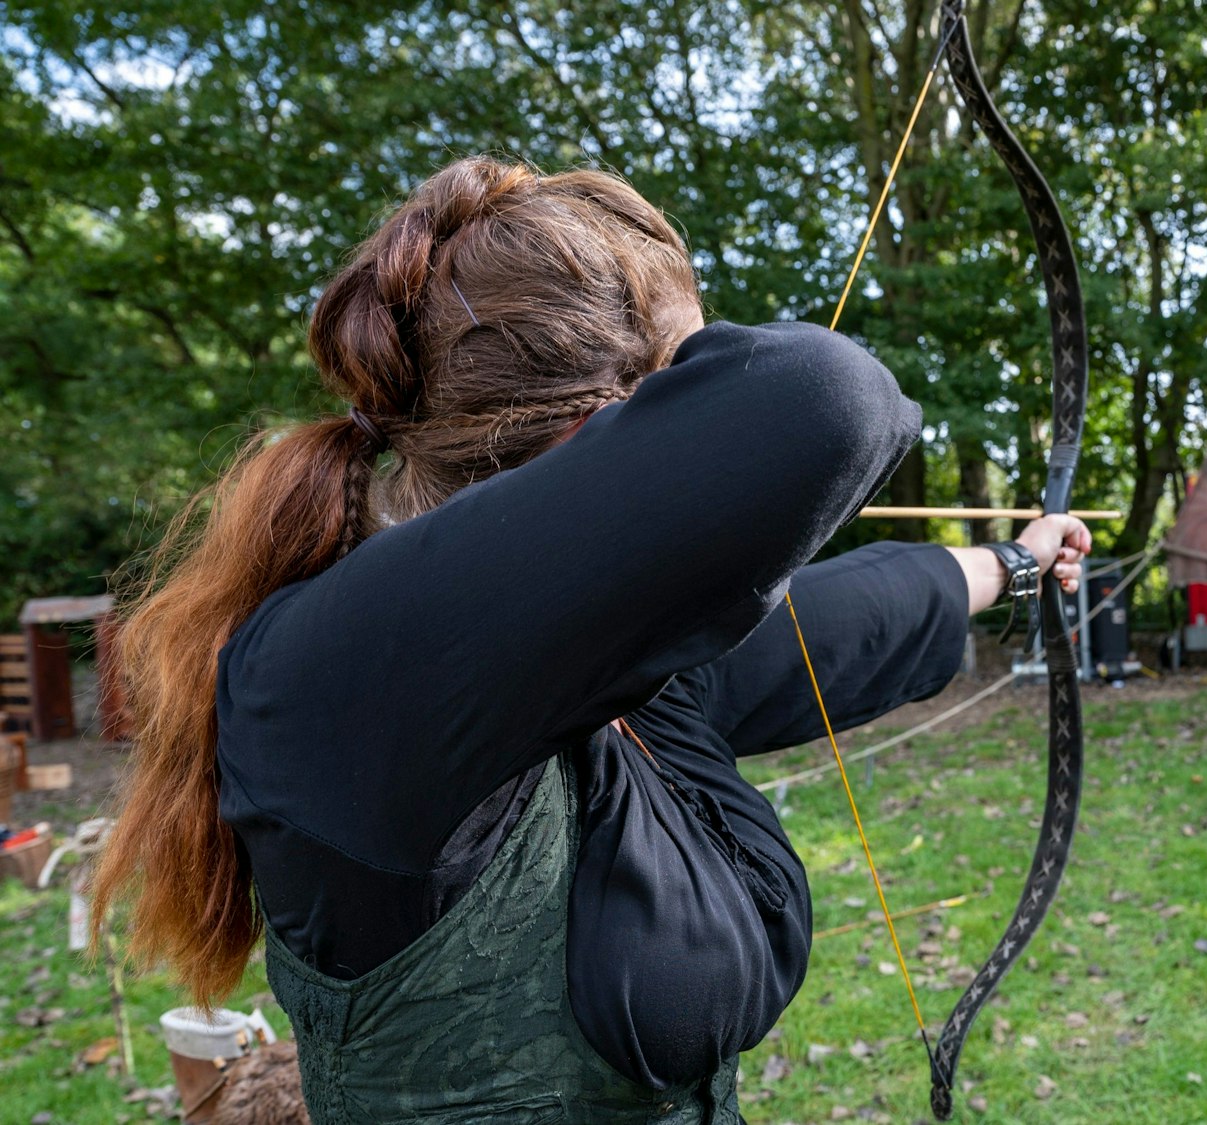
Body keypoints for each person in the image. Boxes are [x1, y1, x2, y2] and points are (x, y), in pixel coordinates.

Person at [93, 156, 1090, 1124]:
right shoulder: (338, 678)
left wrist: (1009, 563)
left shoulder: (617, 664)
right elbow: (824, 400)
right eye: (681, 381)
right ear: (598, 443)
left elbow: (823, 624)